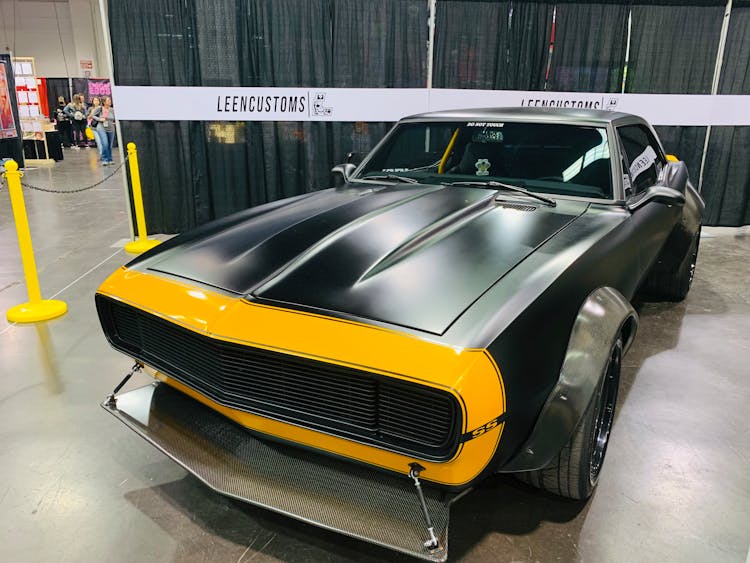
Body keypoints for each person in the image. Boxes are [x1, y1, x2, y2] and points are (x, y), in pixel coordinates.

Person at [91, 96, 116, 165]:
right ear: (104, 102)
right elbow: (92, 115)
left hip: (111, 128)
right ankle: (104, 159)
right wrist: (100, 119)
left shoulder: (112, 110)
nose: (110, 102)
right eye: (108, 100)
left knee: (110, 145)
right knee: (105, 143)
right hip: (101, 127)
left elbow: (115, 117)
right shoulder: (100, 108)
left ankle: (110, 158)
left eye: (110, 100)